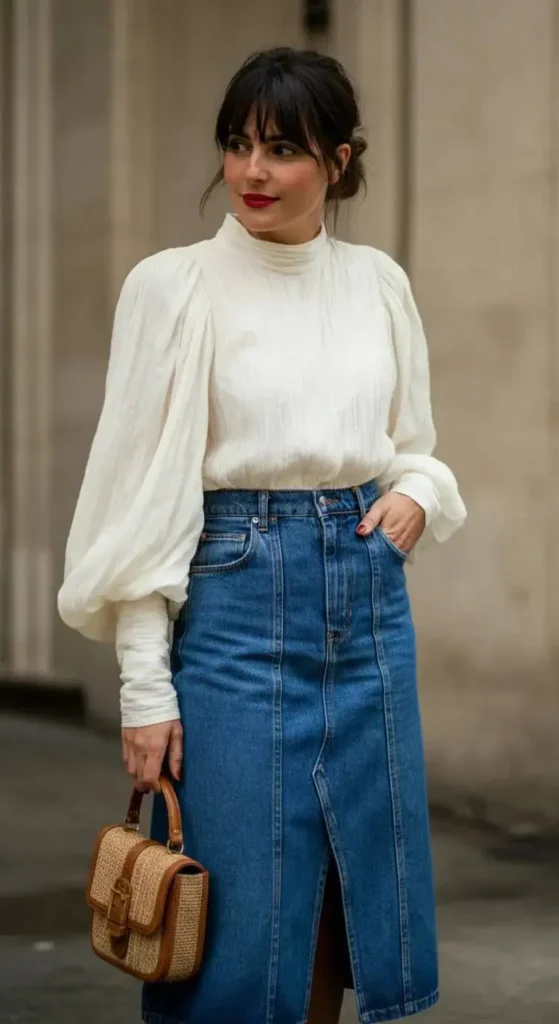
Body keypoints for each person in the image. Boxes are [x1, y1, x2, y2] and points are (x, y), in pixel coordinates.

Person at [58, 46, 466, 1024]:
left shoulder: (376, 282)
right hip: (230, 602)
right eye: (236, 145)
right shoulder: (173, 288)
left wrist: (420, 492)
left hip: (365, 606)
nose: (250, 171)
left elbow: (413, 444)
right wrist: (145, 689)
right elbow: (141, 507)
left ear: (339, 160)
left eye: (281, 148)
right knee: (234, 916)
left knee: (342, 899)